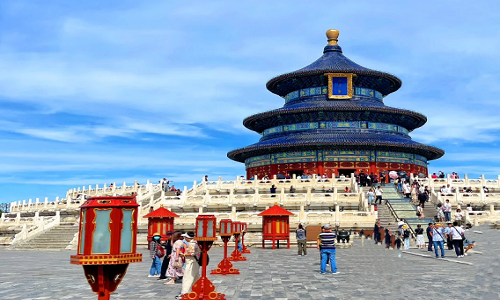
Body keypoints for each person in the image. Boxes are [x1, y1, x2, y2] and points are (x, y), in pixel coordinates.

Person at [177, 232, 201, 299]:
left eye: (185, 237)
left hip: (191, 262)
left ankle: (185, 293)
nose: (185, 239)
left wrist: (183, 255)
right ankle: (195, 290)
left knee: (187, 278)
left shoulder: (192, 244)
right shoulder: (196, 242)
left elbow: (191, 253)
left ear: (188, 238)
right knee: (195, 277)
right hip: (196, 262)